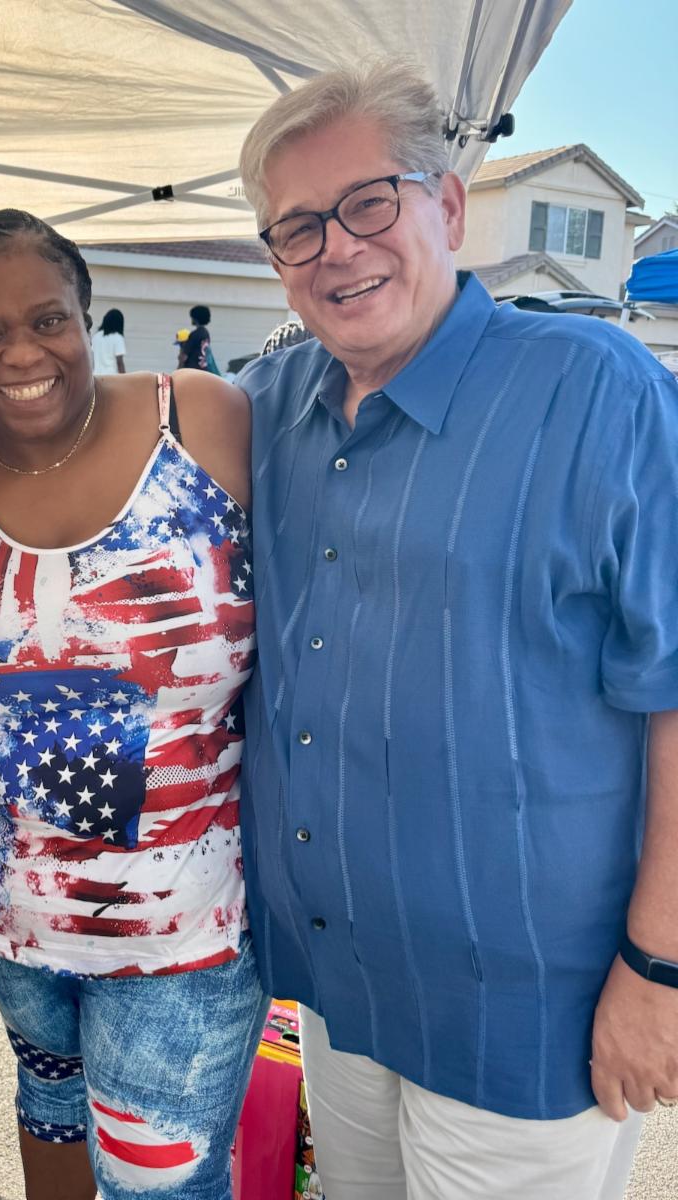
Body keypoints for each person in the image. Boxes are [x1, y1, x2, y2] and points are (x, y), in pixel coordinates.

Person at [234, 58, 678, 1200]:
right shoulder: (266, 408)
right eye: (296, 227)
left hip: (535, 1012)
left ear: (445, 205)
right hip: (342, 988)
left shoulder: (601, 391)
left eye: (368, 202)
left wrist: (660, 967)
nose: (337, 246)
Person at [0, 208, 267, 1200]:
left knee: (157, 1182)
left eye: (48, 320)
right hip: (6, 916)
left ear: (86, 315)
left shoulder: (198, 419)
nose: (22, 353)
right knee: (48, 1109)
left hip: (182, 929)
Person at [177, 303, 219, 374]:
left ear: (196, 318)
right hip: (203, 370)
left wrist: (178, 370)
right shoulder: (205, 333)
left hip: (192, 370)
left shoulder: (195, 334)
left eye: (192, 317)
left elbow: (184, 356)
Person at [90, 307, 127, 374]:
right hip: (111, 378)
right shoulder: (118, 338)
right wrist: (126, 379)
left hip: (96, 377)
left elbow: (92, 359)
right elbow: (119, 362)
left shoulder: (96, 336)